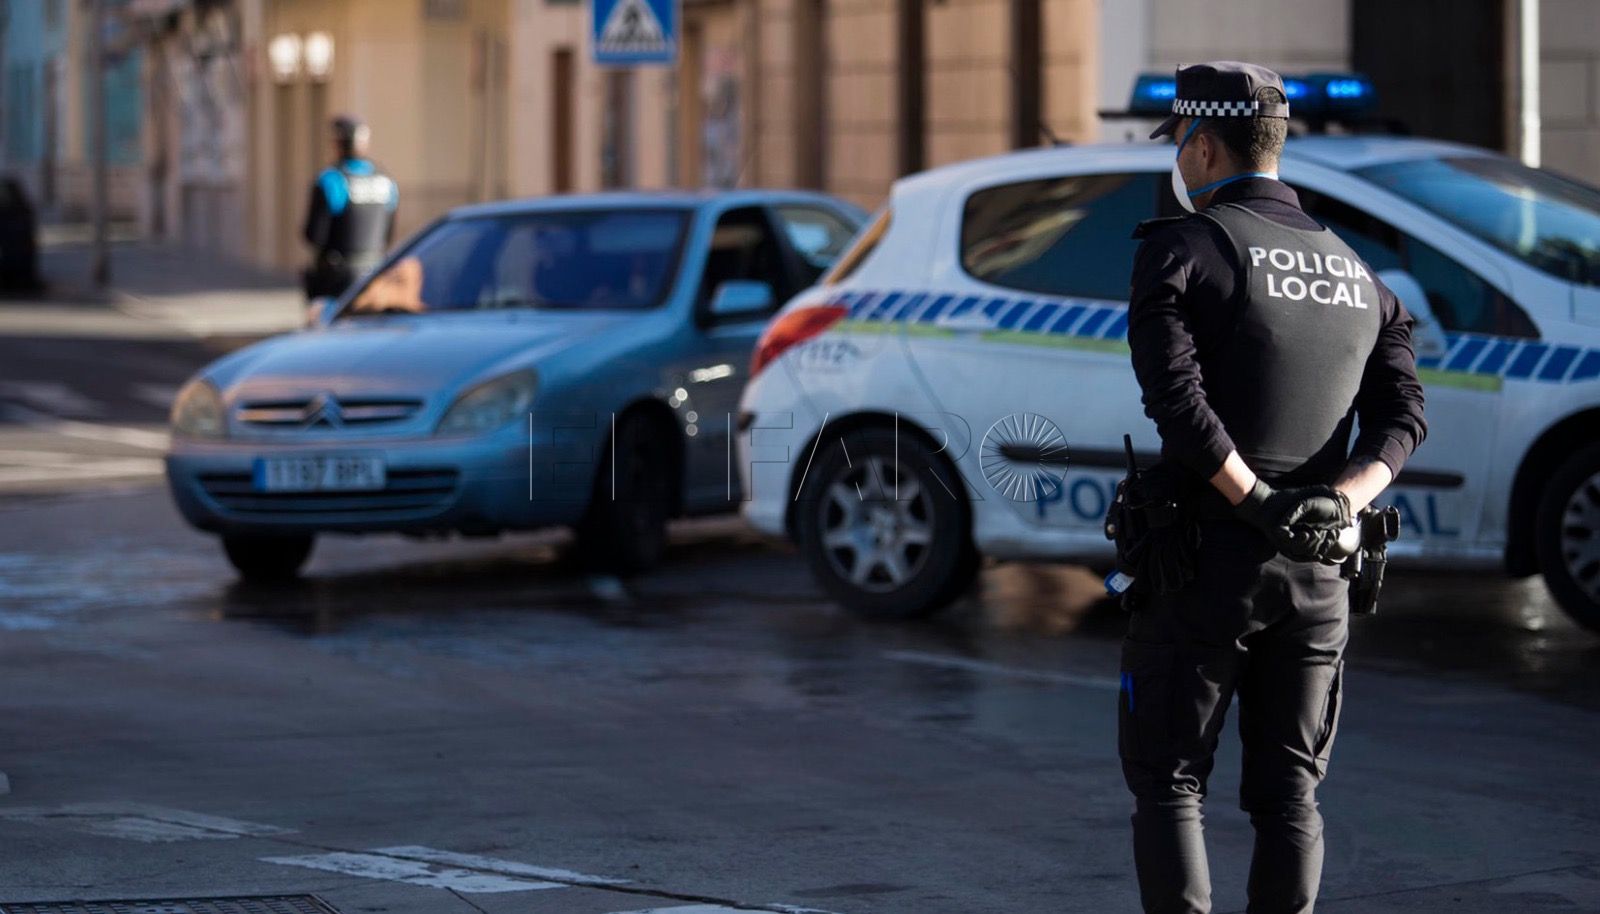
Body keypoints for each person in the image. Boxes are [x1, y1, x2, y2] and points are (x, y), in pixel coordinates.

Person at [1117, 61, 1427, 914]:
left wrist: (1255, 501)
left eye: (1179, 145)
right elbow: (1404, 414)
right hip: (1321, 571)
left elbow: (1178, 403)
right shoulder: (1358, 274)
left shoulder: (1182, 251)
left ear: (1205, 145)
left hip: (1203, 566)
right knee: (1290, 796)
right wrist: (1342, 504)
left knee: (1172, 781)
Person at [302, 115, 398, 300]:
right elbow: (388, 233)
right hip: (375, 273)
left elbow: (314, 235)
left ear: (337, 143)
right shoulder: (385, 180)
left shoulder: (331, 179)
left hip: (337, 279)